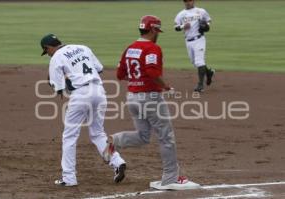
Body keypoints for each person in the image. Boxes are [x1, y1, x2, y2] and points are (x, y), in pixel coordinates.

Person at [104, 15, 195, 190]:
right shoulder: (152, 48)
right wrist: (167, 87)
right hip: (150, 98)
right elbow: (152, 72)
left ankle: (114, 141)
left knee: (143, 136)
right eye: (157, 31)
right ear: (153, 30)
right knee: (166, 137)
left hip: (133, 97)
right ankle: (171, 178)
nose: (158, 34)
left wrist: (137, 80)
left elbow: (120, 75)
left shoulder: (130, 48)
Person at [40, 33, 126, 186]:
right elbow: (99, 68)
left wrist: (63, 81)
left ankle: (69, 178)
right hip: (99, 92)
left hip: (81, 95)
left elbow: (57, 87)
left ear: (48, 48)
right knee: (98, 133)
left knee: (69, 137)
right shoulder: (82, 47)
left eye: (46, 52)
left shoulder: (56, 57)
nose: (48, 55)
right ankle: (117, 161)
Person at [174, 0, 215, 92]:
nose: (188, 2)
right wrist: (182, 26)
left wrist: (206, 26)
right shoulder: (181, 14)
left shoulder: (201, 11)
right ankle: (209, 72)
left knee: (199, 62)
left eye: (190, 0)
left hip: (199, 39)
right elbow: (175, 27)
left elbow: (208, 20)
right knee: (195, 62)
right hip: (188, 41)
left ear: (193, 1)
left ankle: (200, 85)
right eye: (186, 1)